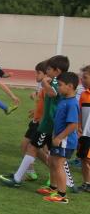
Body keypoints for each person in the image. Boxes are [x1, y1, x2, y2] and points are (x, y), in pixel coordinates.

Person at [0, 55, 76, 190]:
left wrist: (45, 83)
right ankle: (59, 183)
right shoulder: (56, 81)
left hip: (48, 125)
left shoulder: (57, 82)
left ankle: (18, 178)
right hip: (46, 123)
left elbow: (53, 94)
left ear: (57, 71)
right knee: (51, 156)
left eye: (49, 69)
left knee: (37, 149)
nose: (47, 71)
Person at [42, 72, 80, 204]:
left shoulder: (72, 104)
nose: (58, 87)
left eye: (60, 85)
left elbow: (73, 125)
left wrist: (59, 138)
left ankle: (62, 195)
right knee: (52, 161)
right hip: (58, 138)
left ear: (70, 86)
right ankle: (52, 187)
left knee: (59, 164)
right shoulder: (64, 100)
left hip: (65, 141)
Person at [77, 65, 90, 192]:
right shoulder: (84, 95)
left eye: (85, 77)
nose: (82, 80)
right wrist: (79, 127)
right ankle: (86, 183)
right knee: (83, 158)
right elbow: (80, 112)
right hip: (85, 134)